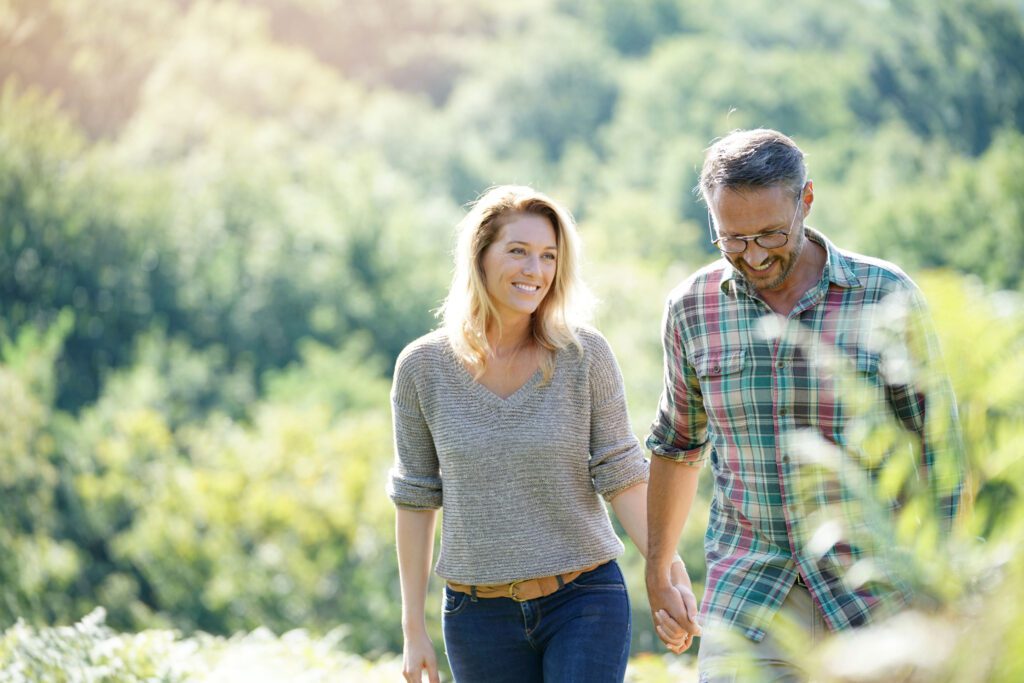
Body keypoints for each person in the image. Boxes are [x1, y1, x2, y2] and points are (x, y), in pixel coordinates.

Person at [644, 129, 964, 681]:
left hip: (874, 589)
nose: (755, 255)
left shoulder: (884, 294)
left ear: (806, 200)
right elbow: (677, 443)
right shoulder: (691, 308)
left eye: (770, 233)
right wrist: (658, 566)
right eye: (732, 239)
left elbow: (937, 447)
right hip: (750, 585)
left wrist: (950, 576)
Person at [388, 185, 683, 682]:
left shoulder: (584, 355)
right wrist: (412, 628)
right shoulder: (422, 368)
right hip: (477, 617)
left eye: (549, 256)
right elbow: (416, 499)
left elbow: (623, 475)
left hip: (584, 601)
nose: (536, 270)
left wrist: (668, 573)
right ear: (480, 257)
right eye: (518, 252)